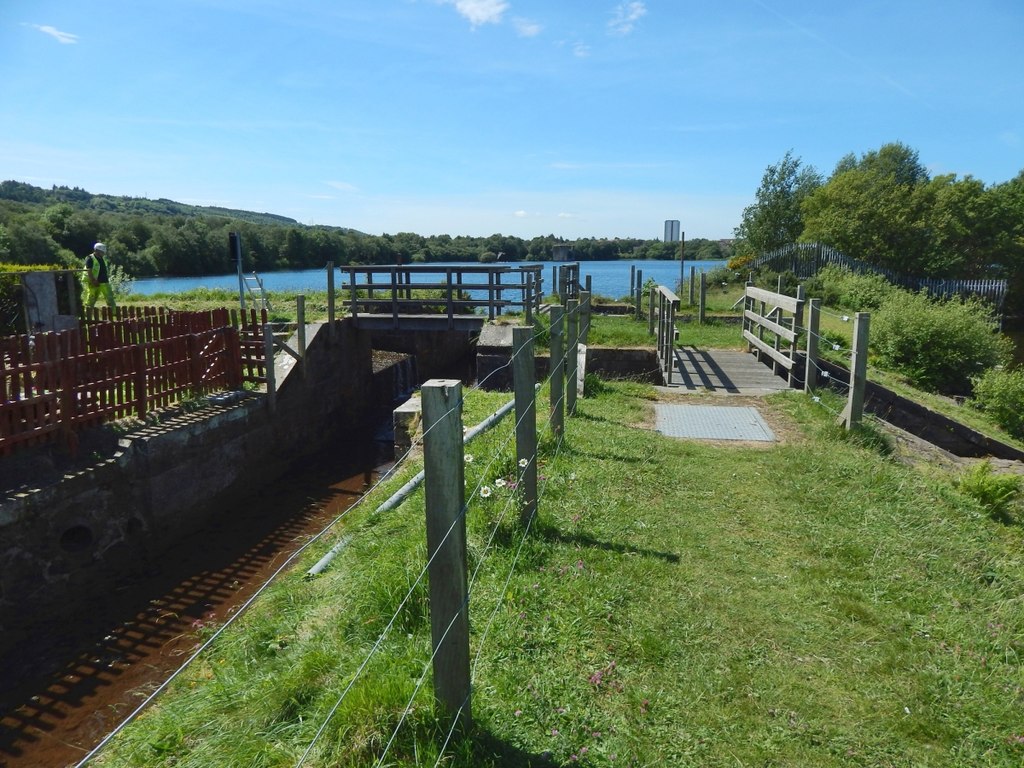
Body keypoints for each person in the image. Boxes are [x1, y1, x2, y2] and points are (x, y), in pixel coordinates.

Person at [83, 242, 116, 309]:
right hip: (94, 282)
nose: (103, 253)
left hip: (104, 282)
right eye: (102, 252)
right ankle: (87, 315)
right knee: (91, 299)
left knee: (110, 298)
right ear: (97, 250)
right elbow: (89, 270)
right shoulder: (90, 258)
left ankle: (114, 313)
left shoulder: (102, 259)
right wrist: (93, 280)